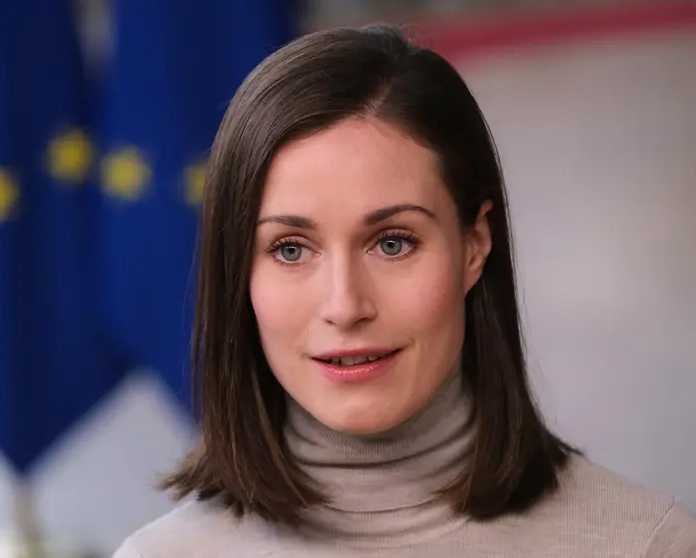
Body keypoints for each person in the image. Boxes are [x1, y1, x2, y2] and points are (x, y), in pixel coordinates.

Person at [113, 24, 696, 557]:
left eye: (392, 243)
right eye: (291, 249)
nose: (344, 305)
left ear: (473, 246)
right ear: (239, 274)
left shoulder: (646, 545)